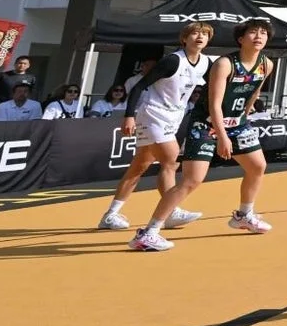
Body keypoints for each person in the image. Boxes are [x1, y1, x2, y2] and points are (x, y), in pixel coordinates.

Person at [142, 18, 276, 246]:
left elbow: (254, 92)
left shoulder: (267, 64)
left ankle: (244, 215)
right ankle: (148, 232)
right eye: (253, 32)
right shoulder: (225, 63)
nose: (259, 37)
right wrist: (222, 136)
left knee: (257, 166)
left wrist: (244, 116)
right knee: (192, 180)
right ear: (241, 39)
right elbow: (214, 104)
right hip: (206, 124)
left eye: (263, 33)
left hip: (237, 123)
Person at [97, 22, 212, 239]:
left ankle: (110, 215)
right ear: (184, 38)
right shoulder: (173, 60)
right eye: (195, 33)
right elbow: (140, 86)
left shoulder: (205, 62)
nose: (200, 36)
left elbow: (214, 84)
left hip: (173, 115)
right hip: (152, 113)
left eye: (204, 34)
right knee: (170, 161)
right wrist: (129, 115)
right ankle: (171, 212)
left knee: (140, 165)